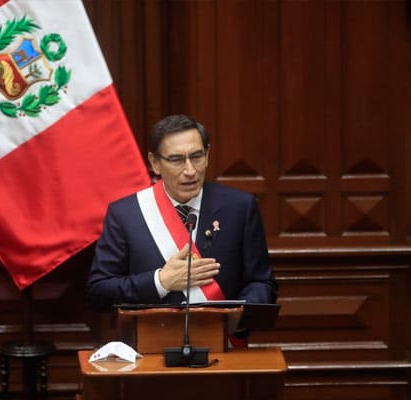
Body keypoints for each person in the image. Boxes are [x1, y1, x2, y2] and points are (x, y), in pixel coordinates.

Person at [87, 114, 277, 310]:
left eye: (196, 157)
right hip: (152, 329)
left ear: (207, 155)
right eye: (176, 160)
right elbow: (100, 291)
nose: (190, 171)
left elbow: (261, 282)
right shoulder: (125, 215)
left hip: (222, 330)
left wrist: (235, 316)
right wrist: (160, 282)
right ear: (155, 163)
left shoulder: (239, 207)